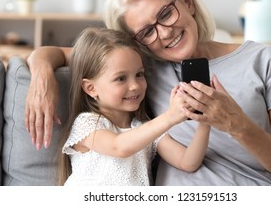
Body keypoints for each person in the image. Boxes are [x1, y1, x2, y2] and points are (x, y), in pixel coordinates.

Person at [26, 0, 271, 186]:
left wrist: (236, 124)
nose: (164, 33)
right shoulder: (140, 68)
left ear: (187, 2)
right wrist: (41, 76)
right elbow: (59, 54)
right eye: (147, 31)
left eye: (165, 14)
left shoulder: (265, 60)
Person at [57, 27, 210, 186]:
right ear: (91, 88)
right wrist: (170, 117)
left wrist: (205, 123)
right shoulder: (87, 124)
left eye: (139, 74)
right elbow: (119, 147)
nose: (135, 86)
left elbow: (188, 162)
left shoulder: (144, 129)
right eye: (121, 78)